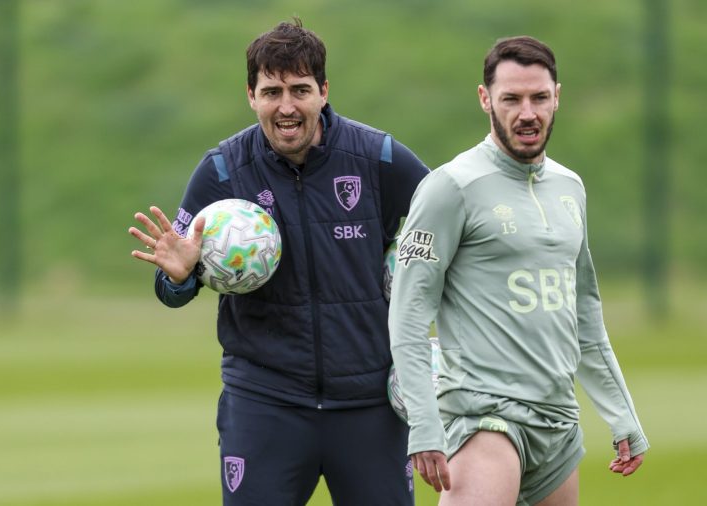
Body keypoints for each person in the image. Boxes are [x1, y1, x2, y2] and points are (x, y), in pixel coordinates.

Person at [128, 18, 429, 505]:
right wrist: (179, 277)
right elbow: (171, 289)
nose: (286, 106)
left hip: (369, 405)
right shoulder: (224, 169)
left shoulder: (378, 158)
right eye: (271, 91)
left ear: (324, 91)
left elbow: (445, 227)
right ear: (250, 95)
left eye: (300, 90)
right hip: (265, 403)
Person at [388, 36, 649, 505]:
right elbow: (408, 313)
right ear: (485, 99)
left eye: (539, 98)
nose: (527, 113)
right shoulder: (450, 187)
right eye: (511, 99)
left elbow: (584, 315)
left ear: (557, 97)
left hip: (558, 423)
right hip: (485, 417)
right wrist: (424, 425)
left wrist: (622, 413)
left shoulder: (571, 187)